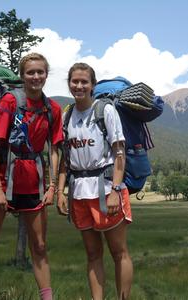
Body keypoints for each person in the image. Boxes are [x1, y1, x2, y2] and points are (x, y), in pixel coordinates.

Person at [0, 53, 63, 300]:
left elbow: (54, 148)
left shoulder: (52, 109)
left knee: (40, 247)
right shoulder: (10, 102)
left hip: (34, 184)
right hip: (2, 178)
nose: (36, 77)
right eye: (30, 72)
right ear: (22, 76)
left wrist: (52, 186)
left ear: (46, 74)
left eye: (40, 72)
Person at [57, 62, 133, 300]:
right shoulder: (66, 115)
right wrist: (60, 191)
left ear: (92, 85)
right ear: (69, 84)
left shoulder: (105, 110)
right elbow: (64, 159)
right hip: (79, 192)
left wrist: (116, 190)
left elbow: (119, 152)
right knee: (92, 254)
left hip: (105, 188)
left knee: (118, 252)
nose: (79, 86)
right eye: (74, 81)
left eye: (84, 82)